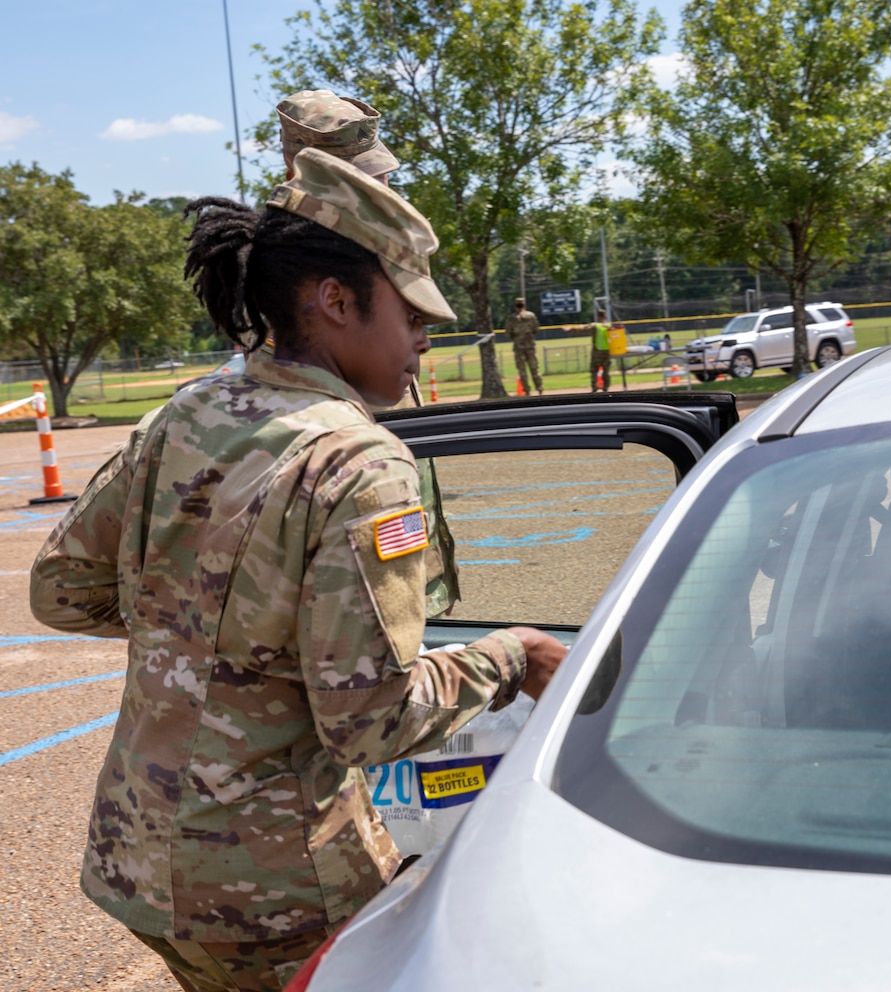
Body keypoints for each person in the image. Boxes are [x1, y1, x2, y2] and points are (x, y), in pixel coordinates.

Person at [29, 148, 567, 992]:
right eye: (415, 316)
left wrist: (197, 631)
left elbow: (61, 589)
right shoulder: (360, 461)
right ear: (335, 301)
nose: (427, 341)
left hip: (140, 859)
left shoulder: (190, 410)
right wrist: (516, 656)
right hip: (276, 891)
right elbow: (369, 723)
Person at [277, 87, 459, 616]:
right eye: (366, 176)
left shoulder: (372, 251)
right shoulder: (288, 266)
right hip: (353, 589)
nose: (385, 186)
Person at [504, 296, 543, 395]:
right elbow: (536, 329)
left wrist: (516, 338)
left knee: (522, 370)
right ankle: (540, 389)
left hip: (518, 346)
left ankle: (527, 390)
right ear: (524, 305)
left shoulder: (512, 318)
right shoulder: (531, 316)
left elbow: (508, 333)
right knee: (534, 369)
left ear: (515, 306)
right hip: (530, 345)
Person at [583, 309, 613, 392]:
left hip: (597, 352)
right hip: (607, 352)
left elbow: (583, 329)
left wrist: (570, 329)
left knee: (594, 371)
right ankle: (605, 388)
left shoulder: (595, 326)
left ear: (597, 317)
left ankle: (594, 387)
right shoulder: (609, 326)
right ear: (605, 317)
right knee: (606, 371)